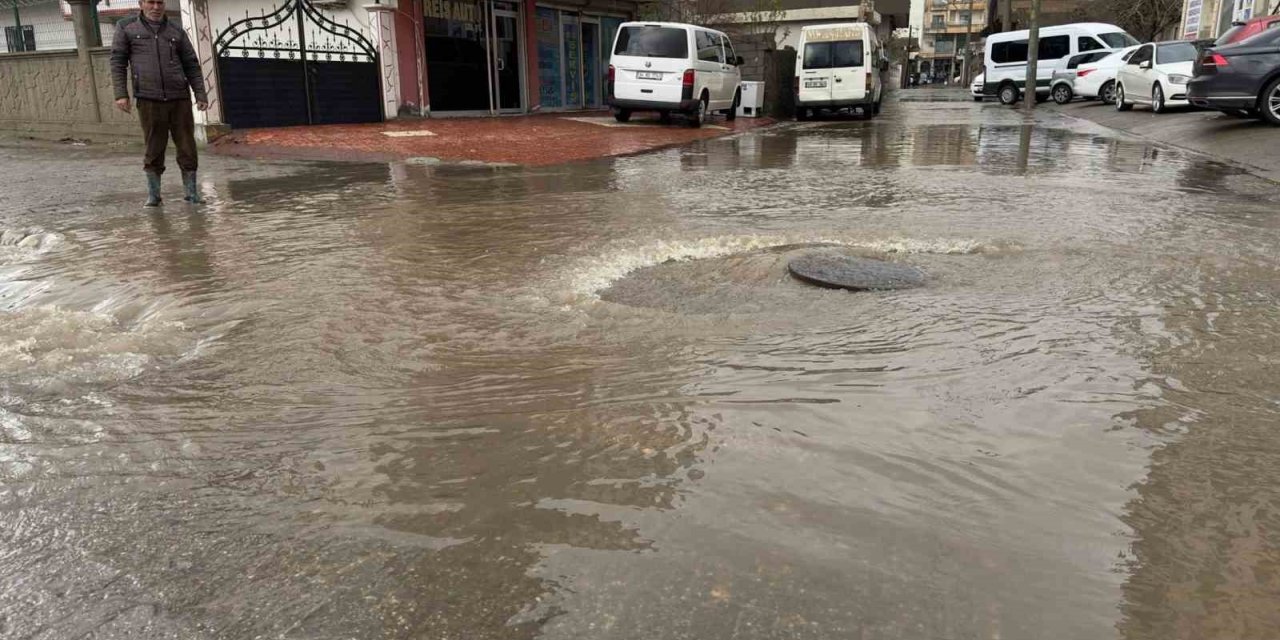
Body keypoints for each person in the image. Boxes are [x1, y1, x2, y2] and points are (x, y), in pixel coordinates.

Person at [110, 0, 209, 206]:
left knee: (187, 147)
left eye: (160, 2)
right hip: (149, 99)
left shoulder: (176, 30)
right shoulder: (126, 27)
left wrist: (200, 93)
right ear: (141, 3)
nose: (156, 7)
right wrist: (121, 94)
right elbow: (118, 61)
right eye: (151, 2)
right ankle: (154, 197)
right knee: (154, 147)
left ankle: (191, 194)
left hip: (179, 98)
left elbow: (191, 64)